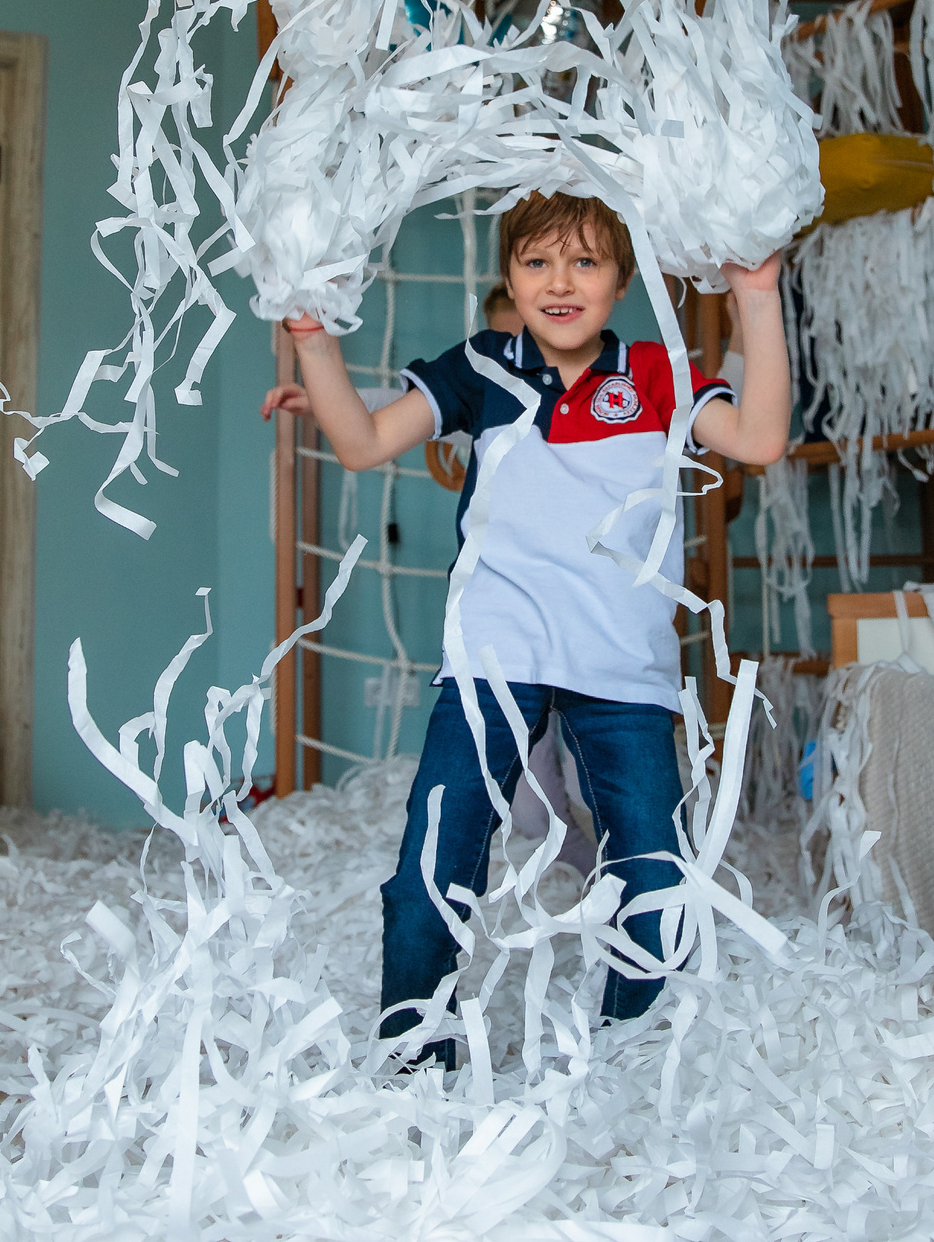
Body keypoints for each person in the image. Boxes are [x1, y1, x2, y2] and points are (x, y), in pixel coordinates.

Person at [259, 191, 790, 1059]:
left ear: (621, 279)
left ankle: (634, 1052)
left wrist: (757, 294)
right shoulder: (482, 365)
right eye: (537, 262)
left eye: (584, 261)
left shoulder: (656, 373)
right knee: (435, 861)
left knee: (653, 868)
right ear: (508, 275)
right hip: (493, 657)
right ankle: (415, 1056)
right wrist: (314, 342)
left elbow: (761, 436)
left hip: (624, 669)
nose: (560, 282)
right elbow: (360, 441)